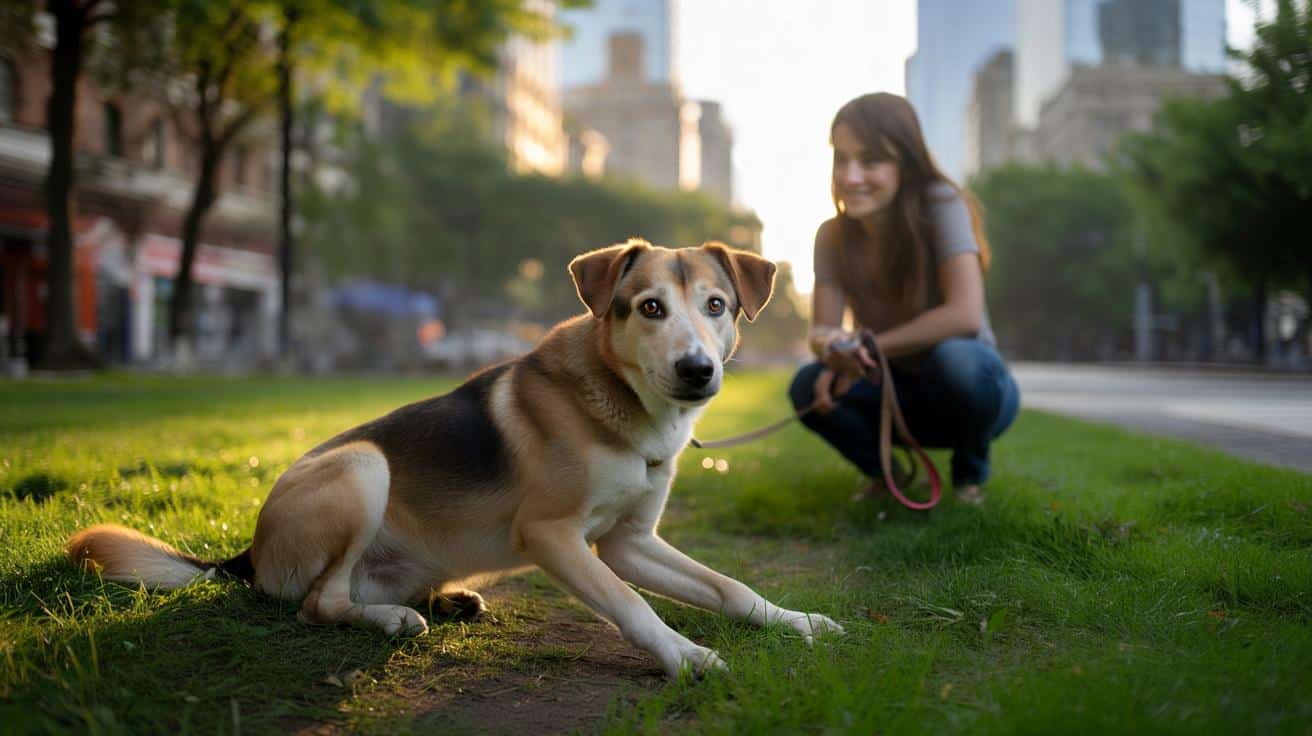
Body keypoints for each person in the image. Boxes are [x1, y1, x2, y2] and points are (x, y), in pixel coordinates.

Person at [788, 92, 1020, 505]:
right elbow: (820, 331)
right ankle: (888, 477)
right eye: (841, 159)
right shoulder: (831, 235)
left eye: (870, 160)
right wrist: (835, 349)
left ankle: (970, 474)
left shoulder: (941, 203)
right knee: (808, 387)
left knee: (960, 361)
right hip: (890, 391)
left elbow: (964, 316)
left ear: (905, 164)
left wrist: (868, 345)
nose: (850, 176)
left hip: (972, 394)